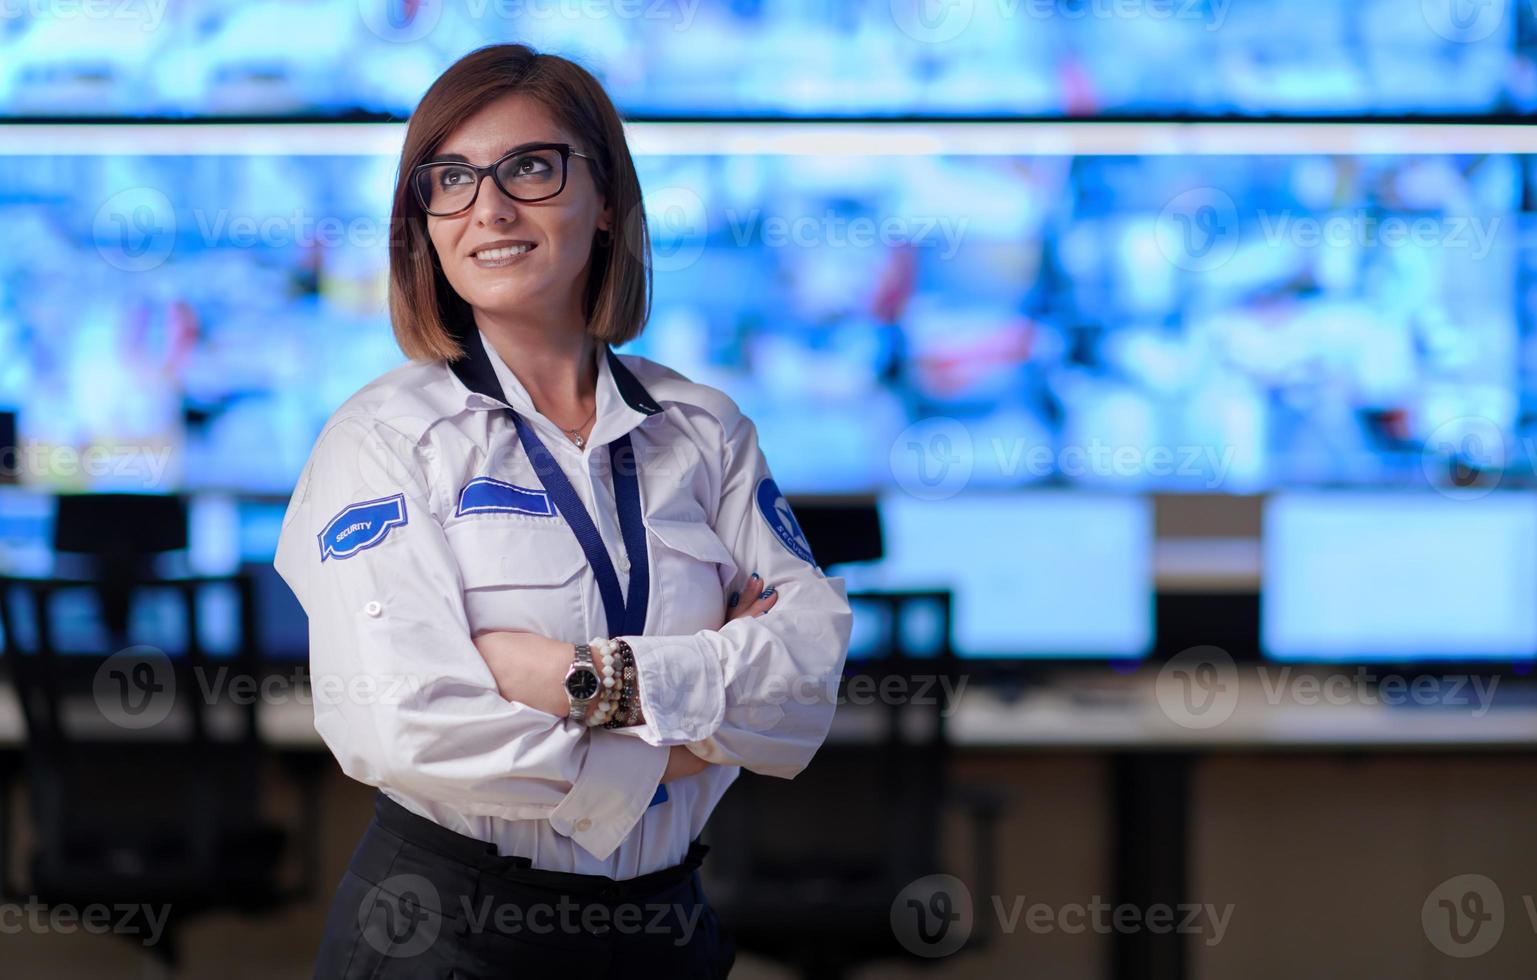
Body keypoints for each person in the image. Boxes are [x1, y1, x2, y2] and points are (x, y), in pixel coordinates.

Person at [273, 43, 853, 978]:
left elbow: (801, 684)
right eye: (450, 180)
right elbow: (402, 724)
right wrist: (679, 748)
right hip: (453, 938)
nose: (489, 209)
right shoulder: (381, 443)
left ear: (608, 204)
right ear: (422, 224)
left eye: (530, 169)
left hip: (665, 932)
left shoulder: (703, 430)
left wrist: (574, 678)